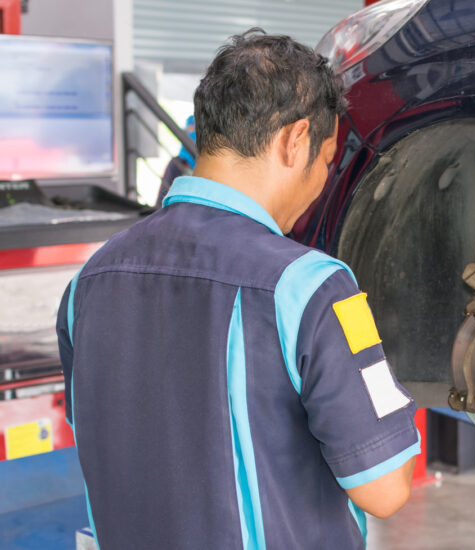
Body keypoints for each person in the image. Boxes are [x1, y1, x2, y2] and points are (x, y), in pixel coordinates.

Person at [56, 29, 419, 550]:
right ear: (295, 141)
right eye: (328, 159)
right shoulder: (311, 286)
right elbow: (384, 490)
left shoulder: (88, 282)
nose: (324, 180)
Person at [154, 115, 196, 208]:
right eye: (188, 131)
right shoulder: (177, 163)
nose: (191, 134)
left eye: (194, 131)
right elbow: (161, 199)